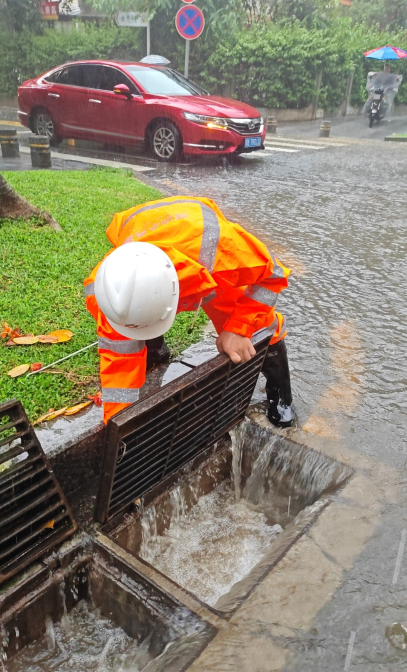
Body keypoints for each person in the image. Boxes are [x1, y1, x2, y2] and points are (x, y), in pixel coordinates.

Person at [84, 196, 295, 428]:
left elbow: (273, 273)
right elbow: (118, 360)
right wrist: (119, 422)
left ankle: (281, 397)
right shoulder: (109, 295)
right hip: (146, 231)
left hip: (195, 238)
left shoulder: (222, 254)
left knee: (261, 324)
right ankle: (155, 352)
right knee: (138, 319)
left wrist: (238, 328)